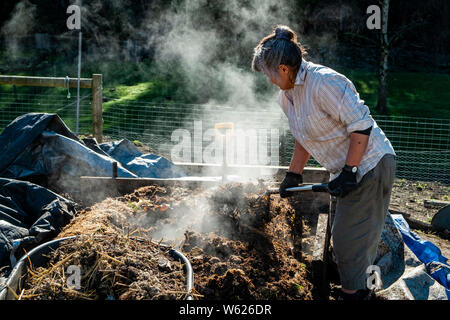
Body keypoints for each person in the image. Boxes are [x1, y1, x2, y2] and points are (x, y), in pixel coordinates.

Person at [252, 25, 396, 300]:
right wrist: (293, 174)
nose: (268, 80)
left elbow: (361, 127)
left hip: (369, 167)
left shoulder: (325, 82)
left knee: (348, 242)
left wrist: (349, 171)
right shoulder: (287, 97)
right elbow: (304, 137)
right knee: (346, 241)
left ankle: (354, 295)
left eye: (268, 74)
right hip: (344, 171)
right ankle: (357, 288)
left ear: (283, 68)